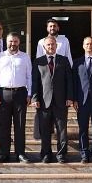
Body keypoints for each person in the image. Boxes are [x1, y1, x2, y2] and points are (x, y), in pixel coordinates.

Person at [0, 32, 32, 164]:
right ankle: (4, 154)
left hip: (20, 94)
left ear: (19, 42)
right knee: (4, 126)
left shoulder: (25, 57)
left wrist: (29, 94)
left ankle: (20, 153)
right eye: (10, 41)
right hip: (4, 94)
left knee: (20, 125)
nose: (12, 44)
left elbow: (29, 76)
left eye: (15, 41)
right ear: (6, 42)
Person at [32, 36, 74, 164]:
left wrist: (70, 97)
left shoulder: (64, 60)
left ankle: (61, 155)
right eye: (48, 45)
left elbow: (69, 80)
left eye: (53, 44)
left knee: (62, 130)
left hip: (61, 101)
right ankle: (46, 154)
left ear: (56, 45)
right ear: (44, 46)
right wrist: (35, 98)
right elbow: (35, 81)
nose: (50, 47)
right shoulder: (38, 61)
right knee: (45, 130)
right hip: (44, 102)